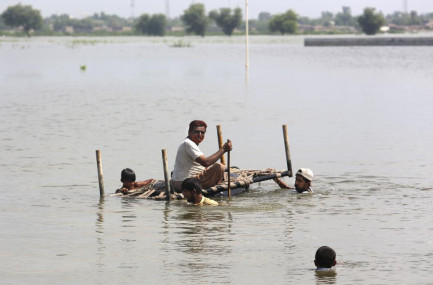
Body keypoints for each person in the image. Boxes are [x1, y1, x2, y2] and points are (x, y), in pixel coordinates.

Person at [171, 120, 232, 192]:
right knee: (220, 167)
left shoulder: (190, 143)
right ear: (189, 132)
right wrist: (223, 149)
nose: (200, 135)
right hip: (186, 184)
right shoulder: (188, 143)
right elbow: (206, 162)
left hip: (184, 181)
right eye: (196, 132)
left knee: (222, 168)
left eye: (202, 133)